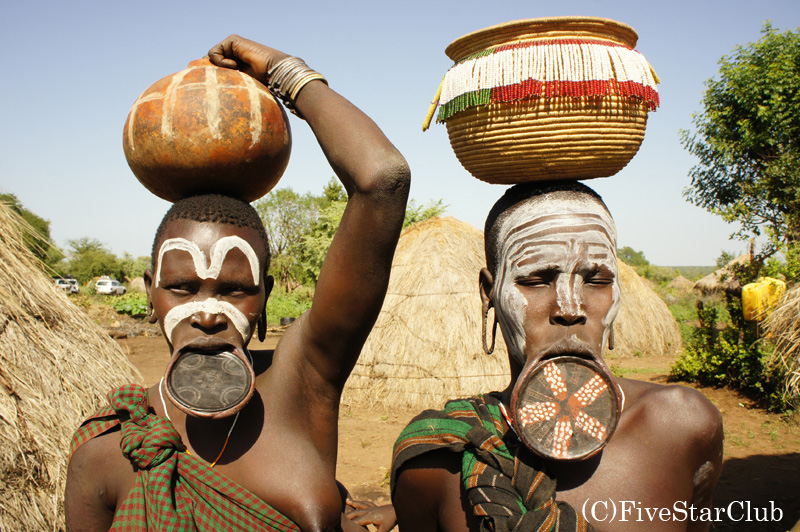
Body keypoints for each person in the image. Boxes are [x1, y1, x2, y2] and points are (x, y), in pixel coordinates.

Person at [65, 35, 410, 532]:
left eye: (233, 290)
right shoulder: (108, 451)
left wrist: (285, 71)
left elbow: (383, 179)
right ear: (151, 293)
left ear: (265, 296)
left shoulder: (302, 385)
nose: (207, 313)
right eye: (183, 287)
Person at [390, 181, 724, 532]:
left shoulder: (683, 425)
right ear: (489, 293)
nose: (570, 308)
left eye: (596, 280)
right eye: (535, 280)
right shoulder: (436, 462)